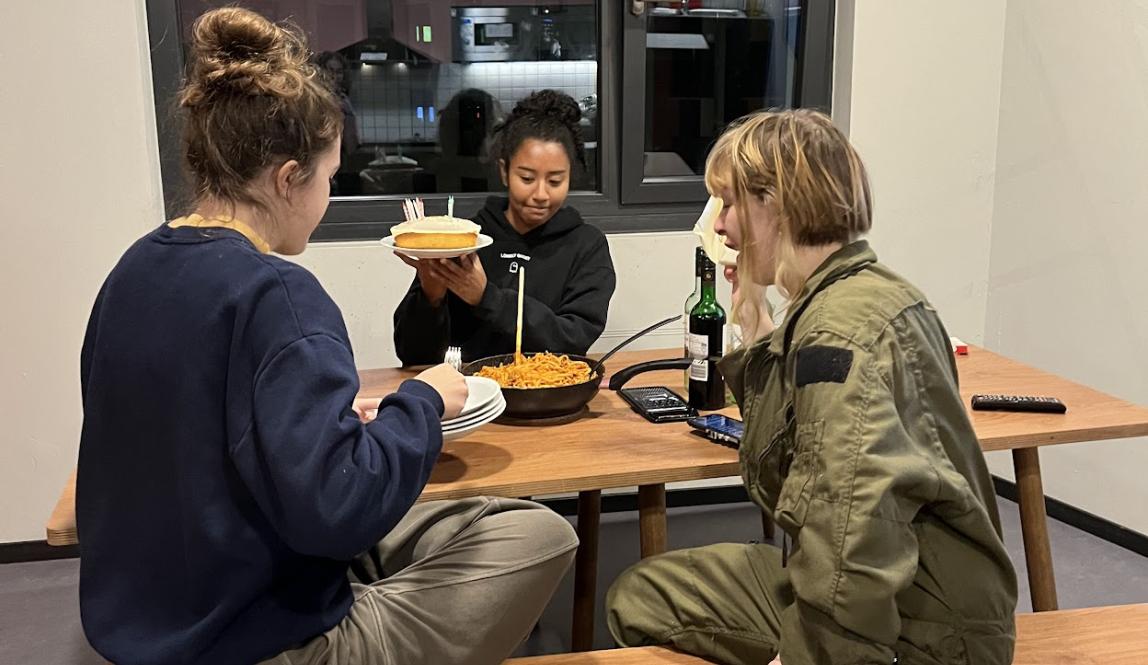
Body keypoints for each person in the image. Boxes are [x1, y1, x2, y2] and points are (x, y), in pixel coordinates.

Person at [76, 8, 577, 665]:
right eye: (330, 178)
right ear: (289, 178)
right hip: (257, 640)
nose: (329, 196)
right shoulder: (277, 294)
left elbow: (196, 435)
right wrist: (423, 401)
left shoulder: (132, 271)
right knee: (540, 534)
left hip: (143, 621)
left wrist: (333, 421)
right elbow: (340, 510)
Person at [606, 110, 1018, 665]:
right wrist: (752, 311)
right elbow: (800, 445)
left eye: (728, 205)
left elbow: (850, 532)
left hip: (922, 629)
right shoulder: (873, 293)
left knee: (636, 604)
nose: (721, 226)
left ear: (774, 204)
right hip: (929, 587)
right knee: (644, 592)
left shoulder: (835, 335)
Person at [393, 89, 616, 366]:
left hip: (547, 396)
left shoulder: (586, 245)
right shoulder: (466, 240)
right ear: (504, 171)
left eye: (555, 181)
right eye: (527, 178)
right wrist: (430, 296)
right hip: (467, 397)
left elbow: (572, 342)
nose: (541, 194)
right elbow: (411, 354)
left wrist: (487, 298)